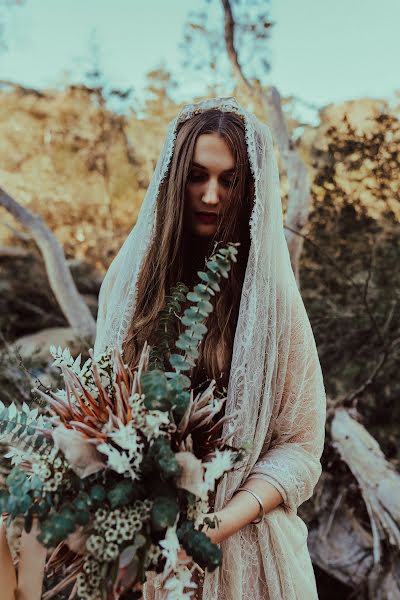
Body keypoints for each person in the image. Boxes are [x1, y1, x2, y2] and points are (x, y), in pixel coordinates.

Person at [94, 96, 327, 600]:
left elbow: (301, 449)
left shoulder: (272, 305)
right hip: (144, 551)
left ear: (249, 190)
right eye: (197, 176)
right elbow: (102, 412)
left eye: (229, 180)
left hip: (247, 557)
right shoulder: (130, 286)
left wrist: (211, 528)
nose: (211, 194)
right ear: (175, 179)